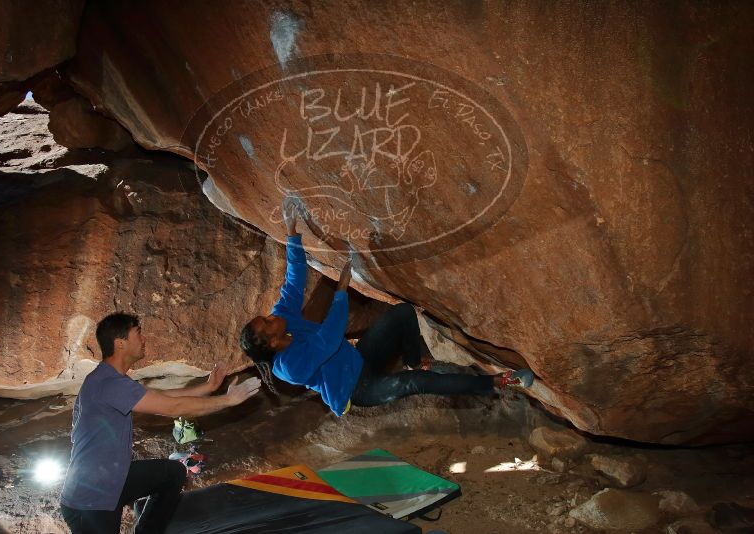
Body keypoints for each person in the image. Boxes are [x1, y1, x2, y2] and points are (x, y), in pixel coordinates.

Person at [239, 201, 534, 417]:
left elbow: (293, 281)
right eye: (267, 324)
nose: (272, 316)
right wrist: (341, 289)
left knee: (403, 313)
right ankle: (499, 381)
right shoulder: (289, 367)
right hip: (356, 390)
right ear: (273, 343)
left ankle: (414, 360)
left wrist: (291, 230)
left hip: (358, 359)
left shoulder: (283, 319)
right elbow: (326, 340)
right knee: (412, 384)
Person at [60, 312, 261, 534]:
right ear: (120, 343)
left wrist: (208, 388)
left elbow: (163, 396)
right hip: (90, 500)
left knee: (172, 473)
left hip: (113, 478)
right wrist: (228, 400)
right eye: (137, 333)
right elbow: (172, 408)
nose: (144, 339)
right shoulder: (109, 384)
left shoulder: (111, 379)